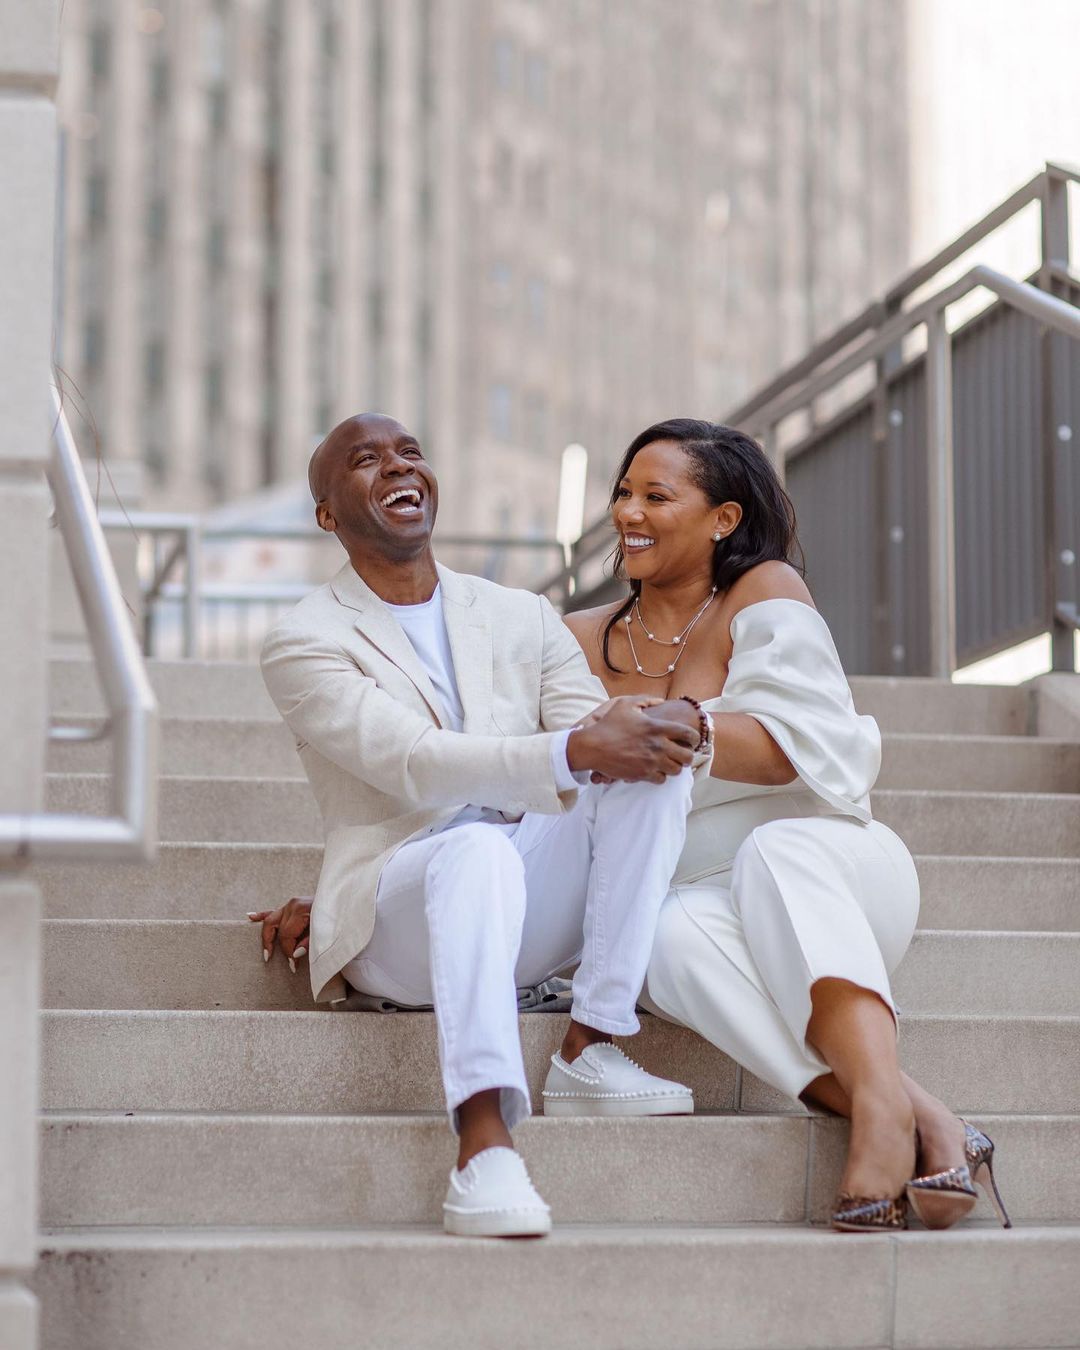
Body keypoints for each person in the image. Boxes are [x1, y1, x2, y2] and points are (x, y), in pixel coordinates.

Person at [254, 412, 703, 1240]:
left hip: (519, 895)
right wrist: (574, 748)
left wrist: (662, 726)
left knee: (646, 771)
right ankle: (483, 1144)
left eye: (410, 452)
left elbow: (594, 731)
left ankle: (592, 1043)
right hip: (396, 915)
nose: (399, 467)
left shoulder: (519, 613)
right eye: (366, 460)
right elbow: (412, 760)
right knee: (472, 850)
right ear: (327, 512)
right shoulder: (302, 640)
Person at [560, 417, 1011, 1233]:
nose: (628, 512)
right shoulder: (576, 638)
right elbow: (508, 767)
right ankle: (925, 1118)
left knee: (773, 850)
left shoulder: (764, 591)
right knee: (658, 941)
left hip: (830, 872)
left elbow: (790, 749)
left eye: (656, 495)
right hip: (698, 899)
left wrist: (686, 724)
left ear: (723, 518)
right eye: (623, 492)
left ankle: (880, 1121)